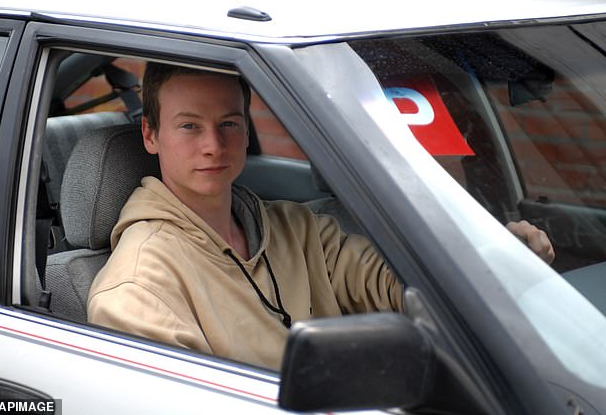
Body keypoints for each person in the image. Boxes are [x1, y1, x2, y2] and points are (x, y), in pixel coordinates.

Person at [87, 63, 553, 370]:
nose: (213, 145)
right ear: (150, 134)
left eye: (229, 123)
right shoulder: (136, 287)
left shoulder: (295, 227)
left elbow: (396, 281)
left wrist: (492, 262)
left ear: (246, 130)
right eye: (189, 126)